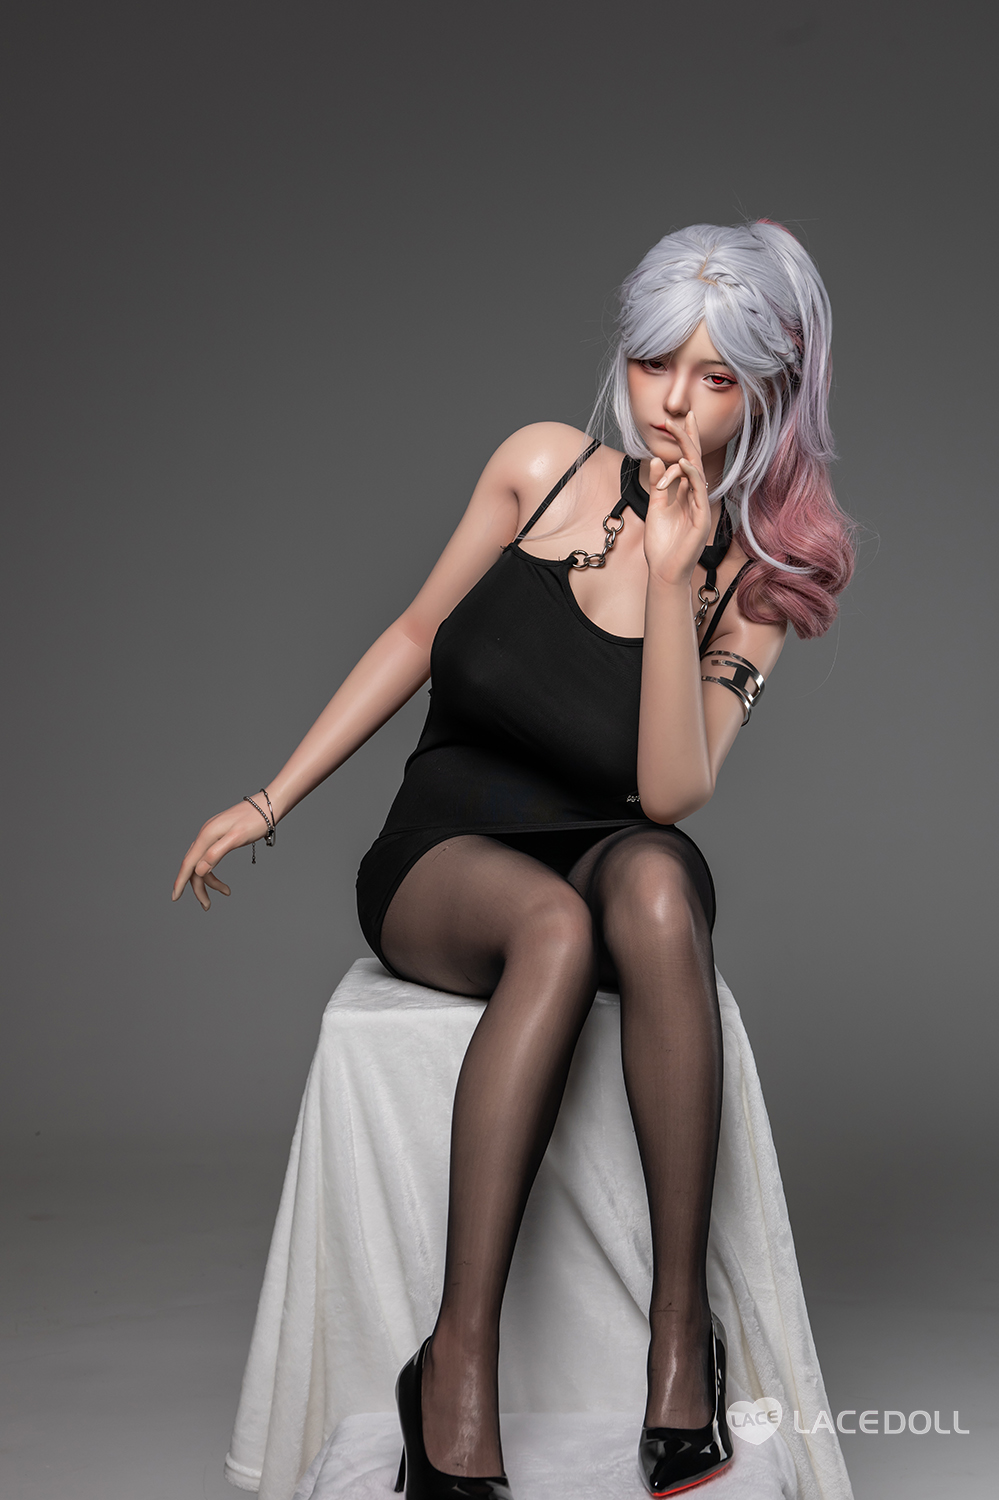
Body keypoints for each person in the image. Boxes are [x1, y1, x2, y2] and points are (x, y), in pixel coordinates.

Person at [173, 220, 855, 1499]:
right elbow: (416, 633)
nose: (673, 402)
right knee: (553, 928)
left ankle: (679, 1348)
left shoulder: (756, 585)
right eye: (655, 363)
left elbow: (668, 794)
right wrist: (270, 799)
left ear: (766, 394)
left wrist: (673, 578)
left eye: (715, 379)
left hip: (610, 845)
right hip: (446, 850)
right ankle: (456, 1366)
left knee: (656, 885)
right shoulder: (539, 466)